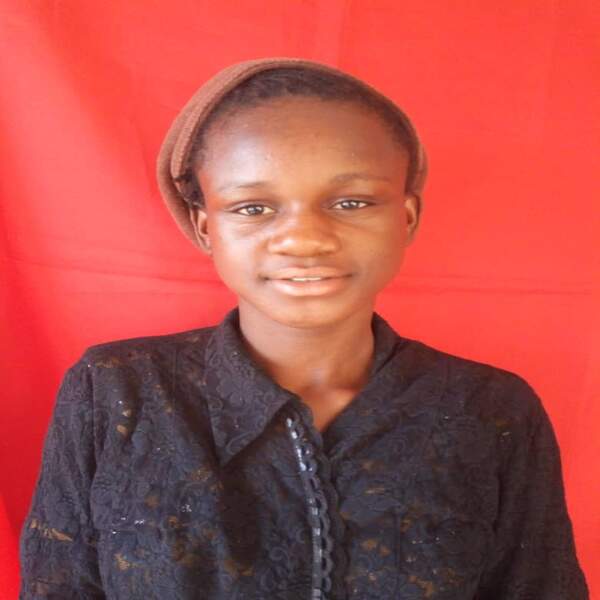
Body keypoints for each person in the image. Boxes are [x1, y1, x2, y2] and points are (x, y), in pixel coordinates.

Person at [19, 57, 588, 599]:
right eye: (253, 208)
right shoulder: (116, 391)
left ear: (406, 217)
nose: (305, 239)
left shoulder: (489, 410)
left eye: (352, 202)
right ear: (206, 227)